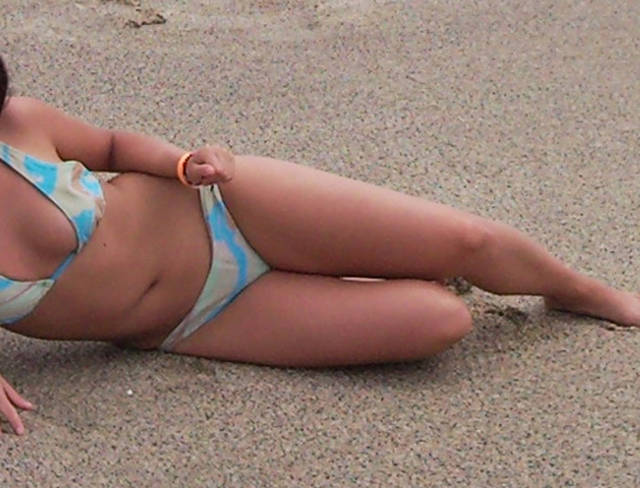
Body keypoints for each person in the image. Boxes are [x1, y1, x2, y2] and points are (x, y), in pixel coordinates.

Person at [1, 54, 639, 436]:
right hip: (197, 320)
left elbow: (111, 145)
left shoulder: (20, 121)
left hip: (221, 208)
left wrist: (182, 161)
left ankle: (576, 291)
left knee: (468, 241)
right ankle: (365, 273)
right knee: (441, 321)